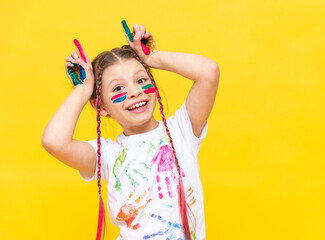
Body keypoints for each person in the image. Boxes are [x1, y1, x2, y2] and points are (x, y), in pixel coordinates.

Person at [41, 22, 219, 240]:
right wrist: (83, 89)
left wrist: (152, 58)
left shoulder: (182, 131)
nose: (134, 92)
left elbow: (209, 72)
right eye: (118, 88)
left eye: (141, 80)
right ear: (101, 107)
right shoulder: (107, 155)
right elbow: (53, 141)